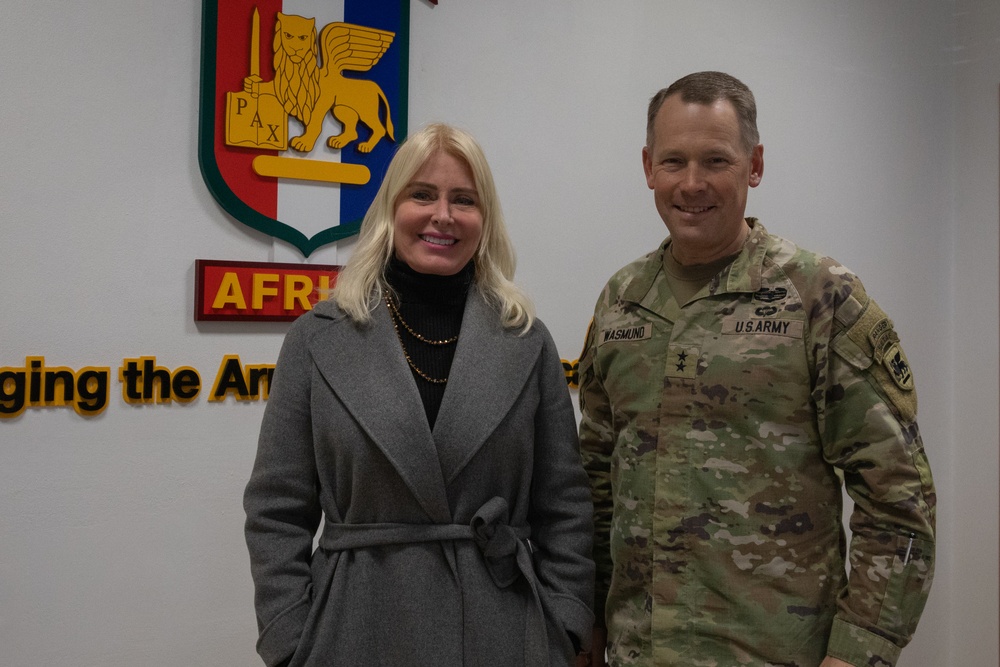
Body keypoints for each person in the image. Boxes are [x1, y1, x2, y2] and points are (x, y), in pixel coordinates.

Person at [577, 72, 935, 667]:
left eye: (715, 160)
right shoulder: (622, 301)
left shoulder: (819, 297)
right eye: (673, 161)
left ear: (754, 164)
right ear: (647, 167)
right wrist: (585, 620)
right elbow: (594, 484)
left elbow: (897, 497)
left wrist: (859, 651)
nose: (692, 184)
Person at [244, 123, 595, 667]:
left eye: (464, 200)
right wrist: (291, 638)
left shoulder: (527, 340)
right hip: (353, 627)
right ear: (391, 207)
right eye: (422, 195)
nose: (443, 216)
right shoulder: (316, 338)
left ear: (486, 219)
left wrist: (564, 622)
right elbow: (276, 508)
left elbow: (565, 504)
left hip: (503, 628)